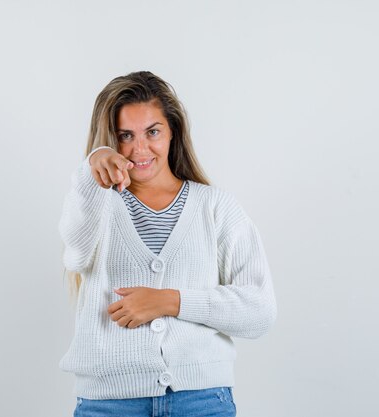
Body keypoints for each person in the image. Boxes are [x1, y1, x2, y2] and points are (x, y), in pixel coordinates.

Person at [58, 71, 277, 417]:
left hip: (202, 401)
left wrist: (171, 301)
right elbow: (76, 253)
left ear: (173, 131)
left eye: (153, 132)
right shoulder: (96, 203)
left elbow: (259, 311)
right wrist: (91, 169)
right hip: (109, 403)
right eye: (124, 135)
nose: (139, 149)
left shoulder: (216, 207)